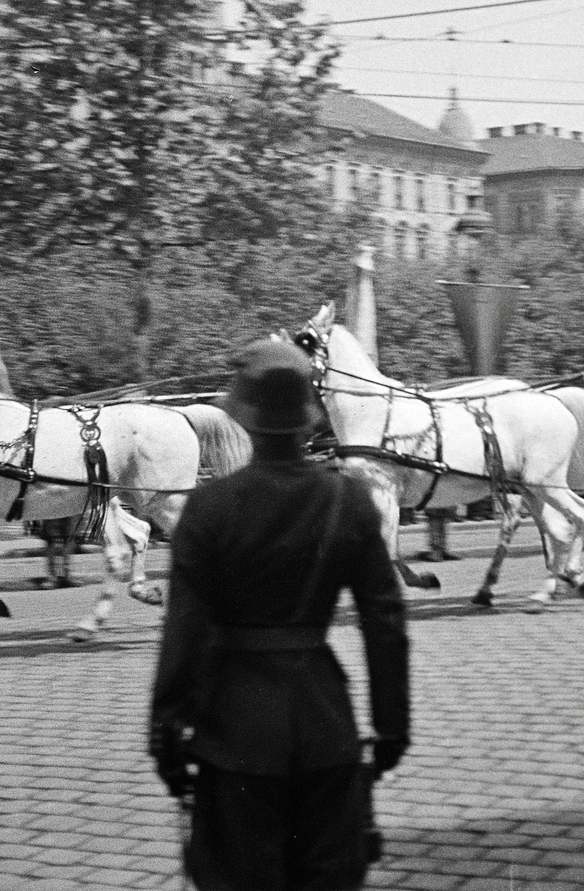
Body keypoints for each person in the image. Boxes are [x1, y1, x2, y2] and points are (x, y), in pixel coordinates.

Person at [150, 339, 410, 891]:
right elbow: (385, 623)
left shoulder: (209, 507)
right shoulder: (349, 500)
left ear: (243, 415)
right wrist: (391, 729)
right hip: (325, 724)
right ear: (308, 420)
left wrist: (167, 733)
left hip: (233, 733)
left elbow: (183, 632)